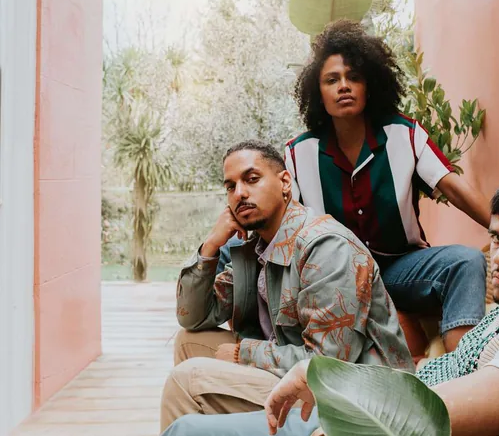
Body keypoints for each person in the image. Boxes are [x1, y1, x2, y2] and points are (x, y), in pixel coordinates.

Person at [161, 171, 499, 436]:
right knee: (187, 399)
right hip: (367, 397)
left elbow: (427, 416)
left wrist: (338, 394)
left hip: (368, 417)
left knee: (186, 426)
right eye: (497, 238)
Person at [160, 140, 414, 431]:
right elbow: (192, 317)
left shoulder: (325, 246)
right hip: (293, 370)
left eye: (251, 179)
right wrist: (211, 246)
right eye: (230, 186)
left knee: (187, 380)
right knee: (189, 341)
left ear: (284, 183)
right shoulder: (256, 248)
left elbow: (327, 362)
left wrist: (243, 353)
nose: (240, 193)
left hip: (358, 400)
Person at [285, 19, 491, 352]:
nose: (344, 86)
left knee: (466, 260)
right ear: (318, 93)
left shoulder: (405, 134)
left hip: (402, 268)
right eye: (332, 80)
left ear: (370, 85)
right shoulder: (298, 154)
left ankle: (462, 362)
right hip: (339, 279)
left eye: (354, 77)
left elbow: (453, 187)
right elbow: (287, 228)